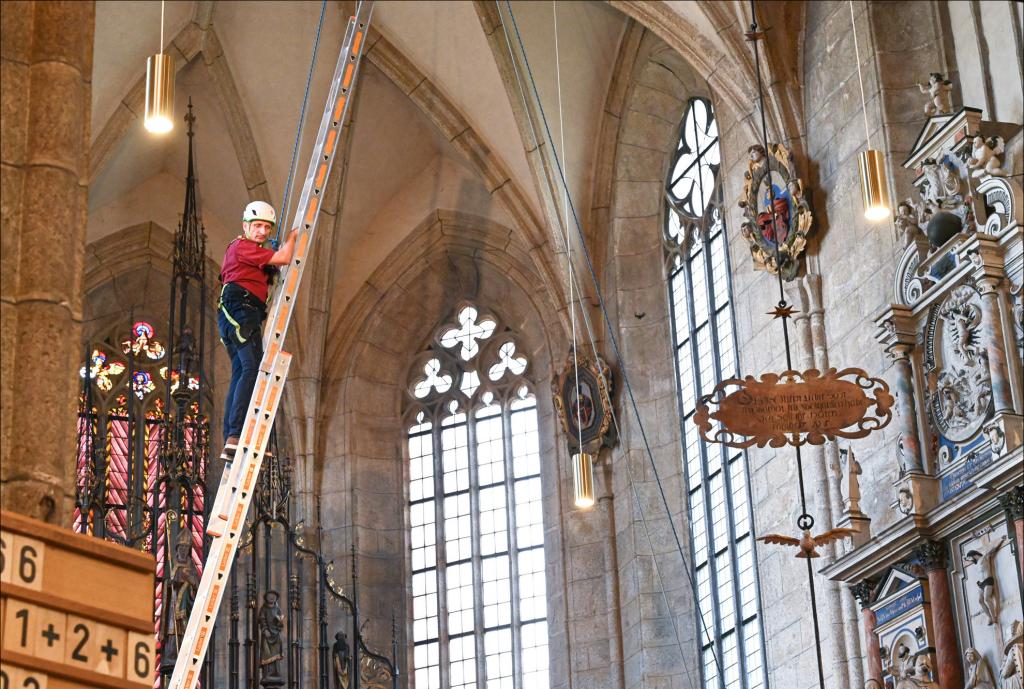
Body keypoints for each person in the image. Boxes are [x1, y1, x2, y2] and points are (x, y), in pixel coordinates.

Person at [218, 201, 298, 460]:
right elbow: (285, 258)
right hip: (240, 307)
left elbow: (272, 266)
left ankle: (233, 437)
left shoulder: (254, 255)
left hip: (240, 310)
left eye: (266, 227)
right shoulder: (242, 246)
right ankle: (238, 433)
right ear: (246, 226)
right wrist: (294, 238)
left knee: (242, 371)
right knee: (252, 368)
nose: (262, 232)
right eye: (258, 226)